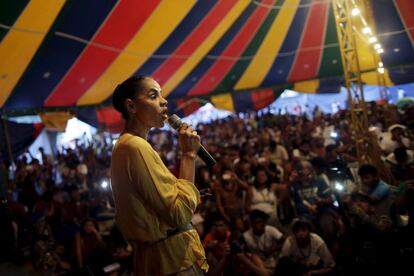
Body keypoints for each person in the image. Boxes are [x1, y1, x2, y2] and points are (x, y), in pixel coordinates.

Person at [110, 76, 207, 275]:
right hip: (172, 263)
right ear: (131, 106)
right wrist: (188, 156)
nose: (164, 101)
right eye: (154, 95)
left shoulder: (128, 145)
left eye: (161, 95)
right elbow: (179, 214)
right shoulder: (135, 147)